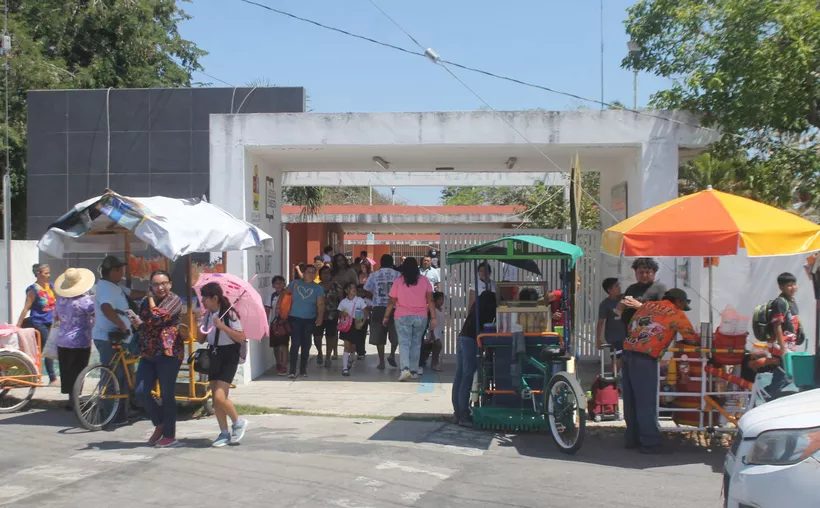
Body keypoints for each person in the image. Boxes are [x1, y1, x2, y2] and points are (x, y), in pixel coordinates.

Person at [622, 288, 700, 453]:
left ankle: (632, 439)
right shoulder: (676, 313)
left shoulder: (647, 305)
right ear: (678, 301)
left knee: (631, 400)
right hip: (645, 358)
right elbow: (692, 339)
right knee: (646, 402)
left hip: (628, 353)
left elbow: (631, 326)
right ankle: (650, 443)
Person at [91, 255, 146, 421]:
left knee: (125, 373)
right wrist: (121, 325)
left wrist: (150, 293)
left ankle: (123, 411)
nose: (123, 272)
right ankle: (109, 413)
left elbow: (132, 293)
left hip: (123, 338)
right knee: (112, 375)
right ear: (112, 271)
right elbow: (106, 308)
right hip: (110, 337)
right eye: (120, 269)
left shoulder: (115, 286)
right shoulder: (106, 289)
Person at [134, 270, 184, 448]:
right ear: (151, 286)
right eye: (156, 284)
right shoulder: (146, 303)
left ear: (170, 284)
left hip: (168, 353)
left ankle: (170, 435)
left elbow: (157, 318)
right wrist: (137, 322)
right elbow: (144, 321)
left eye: (164, 283)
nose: (160, 287)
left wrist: (149, 299)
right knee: (140, 391)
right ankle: (160, 423)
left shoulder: (174, 300)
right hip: (148, 352)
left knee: (167, 394)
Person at [198, 282, 249, 447]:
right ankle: (224, 432)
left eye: (205, 298)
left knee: (220, 396)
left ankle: (238, 422)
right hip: (214, 354)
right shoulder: (207, 315)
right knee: (215, 397)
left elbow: (241, 337)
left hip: (229, 355)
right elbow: (201, 339)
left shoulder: (230, 314)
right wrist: (199, 325)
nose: (203, 301)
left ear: (215, 298)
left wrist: (222, 326)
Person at [384, 257, 436, 381]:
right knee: (416, 343)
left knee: (404, 343)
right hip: (421, 316)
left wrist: (386, 316)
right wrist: (433, 317)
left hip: (402, 316)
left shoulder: (398, 281)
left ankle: (405, 369)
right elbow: (430, 300)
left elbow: (392, 301)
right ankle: (413, 370)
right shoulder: (425, 281)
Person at [452, 289, 497, 426]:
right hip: (470, 341)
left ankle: (458, 413)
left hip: (462, 338)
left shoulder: (476, 307)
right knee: (467, 376)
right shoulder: (489, 310)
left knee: (460, 375)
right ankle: (464, 415)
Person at [52, 268, 96, 409]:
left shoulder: (60, 301)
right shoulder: (85, 301)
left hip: (62, 340)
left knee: (66, 370)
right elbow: (95, 314)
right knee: (78, 371)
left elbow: (56, 317)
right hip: (80, 340)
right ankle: (76, 402)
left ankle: (71, 400)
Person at [279, 264, 324, 378]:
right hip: (294, 318)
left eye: (313, 272)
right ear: (303, 273)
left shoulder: (318, 288)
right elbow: (285, 295)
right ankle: (292, 370)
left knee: (306, 344)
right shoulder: (295, 284)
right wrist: (279, 309)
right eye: (309, 272)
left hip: (309, 319)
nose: (311, 274)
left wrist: (320, 317)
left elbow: (320, 303)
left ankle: (303, 369)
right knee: (295, 343)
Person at [17, 263, 58, 385]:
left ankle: (46, 376)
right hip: (39, 321)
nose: (49, 275)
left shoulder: (50, 286)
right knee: (48, 346)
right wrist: (18, 325)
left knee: (50, 347)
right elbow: (26, 308)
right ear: (38, 274)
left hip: (51, 321)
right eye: (46, 273)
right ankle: (52, 378)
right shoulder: (33, 289)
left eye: (49, 273)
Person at [363, 254, 401, 370]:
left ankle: (381, 362)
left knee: (379, 336)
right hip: (394, 307)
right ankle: (392, 354)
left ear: (381, 262)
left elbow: (366, 289)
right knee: (396, 334)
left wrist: (375, 296)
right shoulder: (398, 275)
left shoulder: (374, 275)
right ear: (392, 262)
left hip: (378, 307)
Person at [618, 258, 667, 331]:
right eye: (641, 272)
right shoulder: (631, 288)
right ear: (635, 273)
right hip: (630, 332)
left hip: (649, 333)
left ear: (654, 273)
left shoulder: (660, 288)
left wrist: (640, 306)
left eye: (647, 272)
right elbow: (621, 307)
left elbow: (664, 311)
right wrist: (621, 306)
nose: (644, 275)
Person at [337, 282, 370, 377]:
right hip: (347, 324)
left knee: (354, 346)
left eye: (355, 288)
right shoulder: (343, 302)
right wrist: (343, 314)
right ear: (346, 290)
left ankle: (351, 358)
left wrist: (362, 323)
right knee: (347, 345)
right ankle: (345, 368)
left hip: (357, 323)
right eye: (351, 288)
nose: (354, 289)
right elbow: (339, 313)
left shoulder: (359, 300)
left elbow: (365, 312)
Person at [314, 266, 340, 368]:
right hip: (318, 314)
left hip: (332, 314)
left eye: (328, 273)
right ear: (320, 275)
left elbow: (341, 297)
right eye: (324, 273)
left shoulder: (335, 285)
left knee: (331, 336)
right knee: (317, 336)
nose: (326, 275)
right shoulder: (317, 286)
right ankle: (319, 352)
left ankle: (328, 357)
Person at [596, 277, 626, 368]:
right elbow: (601, 322)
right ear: (610, 290)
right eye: (616, 286)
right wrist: (598, 339)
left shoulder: (625, 300)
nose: (619, 287)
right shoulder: (605, 304)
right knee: (617, 359)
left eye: (619, 285)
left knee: (626, 359)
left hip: (627, 336)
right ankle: (614, 379)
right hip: (614, 337)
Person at [268, 275, 289, 376]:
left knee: (284, 345)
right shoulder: (271, 296)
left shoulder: (288, 295)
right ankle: (278, 363)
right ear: (273, 285)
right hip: (274, 324)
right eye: (276, 283)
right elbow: (268, 310)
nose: (279, 285)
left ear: (284, 284)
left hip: (285, 323)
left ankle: (284, 365)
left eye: (281, 283)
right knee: (276, 346)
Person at [420, 291, 445, 372]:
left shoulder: (441, 309)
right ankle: (434, 363)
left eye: (442, 299)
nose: (441, 301)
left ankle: (426, 361)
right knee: (438, 346)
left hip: (439, 331)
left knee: (432, 348)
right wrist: (431, 334)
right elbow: (430, 321)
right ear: (435, 300)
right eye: (439, 299)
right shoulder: (432, 309)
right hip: (433, 331)